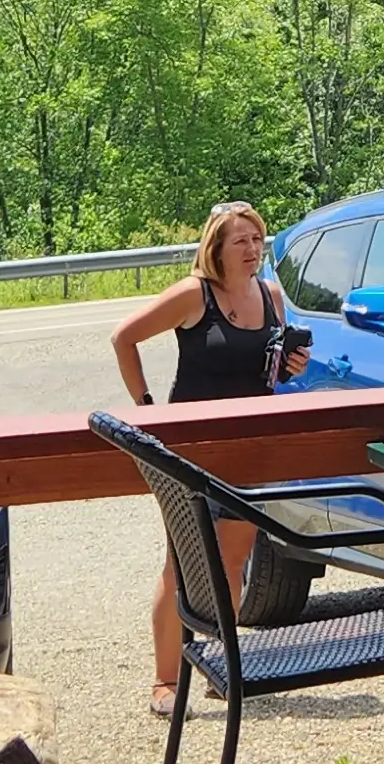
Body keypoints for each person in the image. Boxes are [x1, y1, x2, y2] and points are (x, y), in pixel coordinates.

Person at [110, 200, 309, 720]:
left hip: (249, 449)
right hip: (191, 453)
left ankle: (220, 668)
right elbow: (124, 337)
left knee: (233, 562)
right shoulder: (193, 295)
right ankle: (164, 680)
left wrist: (291, 366)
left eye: (257, 239)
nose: (252, 249)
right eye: (240, 240)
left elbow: (272, 375)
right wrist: (147, 408)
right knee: (181, 566)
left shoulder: (271, 295)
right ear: (216, 248)